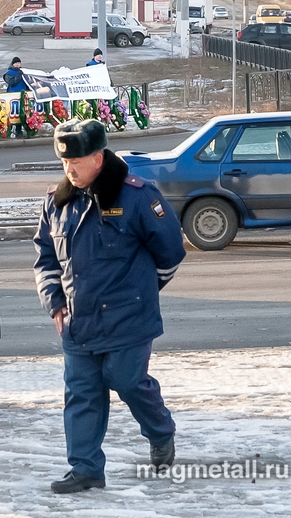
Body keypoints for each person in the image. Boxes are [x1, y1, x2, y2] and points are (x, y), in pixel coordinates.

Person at [33, 118, 186, 494]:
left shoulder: (137, 196)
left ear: (98, 158)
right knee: (81, 394)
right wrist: (55, 304)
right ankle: (85, 469)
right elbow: (45, 258)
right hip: (78, 323)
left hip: (129, 320)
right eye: (64, 162)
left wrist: (142, 294)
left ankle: (160, 430)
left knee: (126, 380)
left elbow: (170, 252)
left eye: (77, 162)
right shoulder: (57, 203)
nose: (70, 169)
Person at [3, 57, 28, 138]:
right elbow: (11, 82)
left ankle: (18, 130)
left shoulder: (23, 72)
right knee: (12, 114)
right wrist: (19, 76)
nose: (17, 65)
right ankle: (9, 131)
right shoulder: (9, 73)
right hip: (12, 97)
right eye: (16, 63)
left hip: (22, 96)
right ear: (13, 64)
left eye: (18, 63)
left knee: (21, 113)